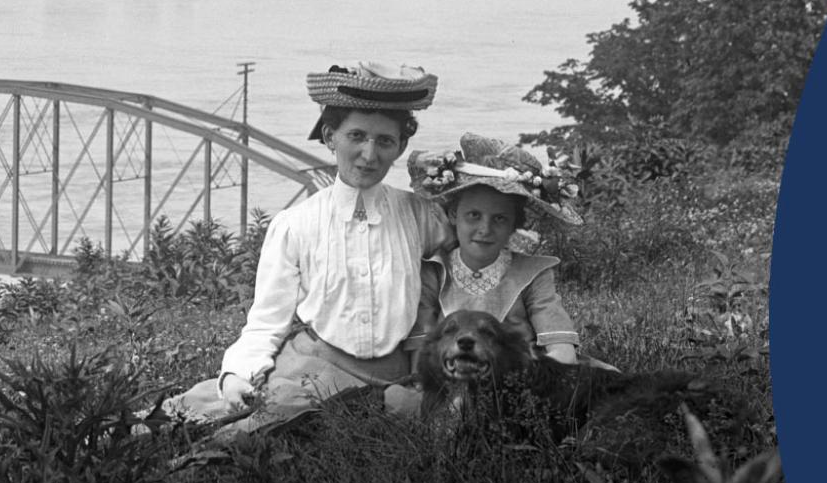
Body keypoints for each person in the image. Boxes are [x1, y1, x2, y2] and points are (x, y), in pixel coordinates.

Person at [162, 62, 450, 438]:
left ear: (402, 146)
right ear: (330, 137)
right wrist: (237, 373)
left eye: (385, 141)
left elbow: (481, 241)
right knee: (229, 419)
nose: (368, 154)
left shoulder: (420, 214)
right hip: (314, 365)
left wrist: (440, 177)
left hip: (396, 377)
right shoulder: (295, 224)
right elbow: (267, 320)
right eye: (356, 136)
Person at [404, 134, 609, 375]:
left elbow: (562, 352)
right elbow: (422, 356)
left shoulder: (532, 274)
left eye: (499, 219)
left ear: (515, 225)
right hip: (454, 376)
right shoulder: (434, 271)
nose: (485, 229)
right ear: (453, 215)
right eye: (473, 215)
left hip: (525, 381)